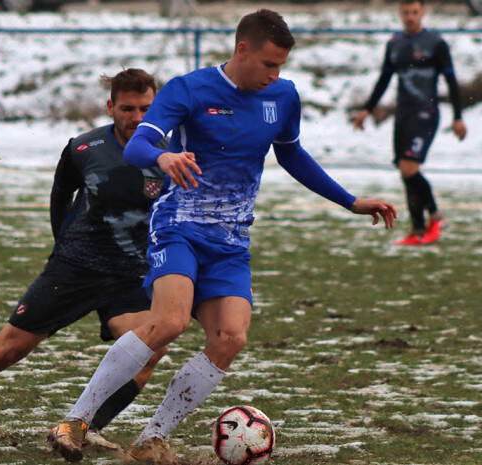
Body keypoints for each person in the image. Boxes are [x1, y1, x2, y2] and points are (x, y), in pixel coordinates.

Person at [48, 9, 397, 463]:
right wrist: (164, 158)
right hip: (179, 226)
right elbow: (137, 145)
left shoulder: (283, 96)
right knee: (169, 322)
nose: (275, 75)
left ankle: (152, 438)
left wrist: (350, 201)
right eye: (269, 64)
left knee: (231, 337)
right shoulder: (189, 89)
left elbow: (292, 155)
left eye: (281, 66)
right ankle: (74, 421)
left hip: (231, 240)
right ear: (242, 49)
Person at [0, 69, 169, 451]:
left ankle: (84, 427)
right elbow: (61, 193)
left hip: (129, 276)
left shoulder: (169, 155)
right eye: (128, 108)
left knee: (151, 348)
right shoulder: (84, 148)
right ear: (111, 107)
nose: (137, 117)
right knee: (9, 348)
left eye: (145, 108)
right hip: (75, 269)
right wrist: (64, 244)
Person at [353, 0, 467, 246]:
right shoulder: (395, 43)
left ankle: (436, 216)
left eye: (415, 12)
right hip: (403, 114)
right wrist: (367, 109)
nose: (410, 17)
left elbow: (452, 82)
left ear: (422, 12)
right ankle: (418, 231)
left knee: (409, 168)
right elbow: (384, 79)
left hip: (426, 114)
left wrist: (458, 116)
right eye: (406, 12)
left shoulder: (436, 43)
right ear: (400, 13)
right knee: (405, 172)